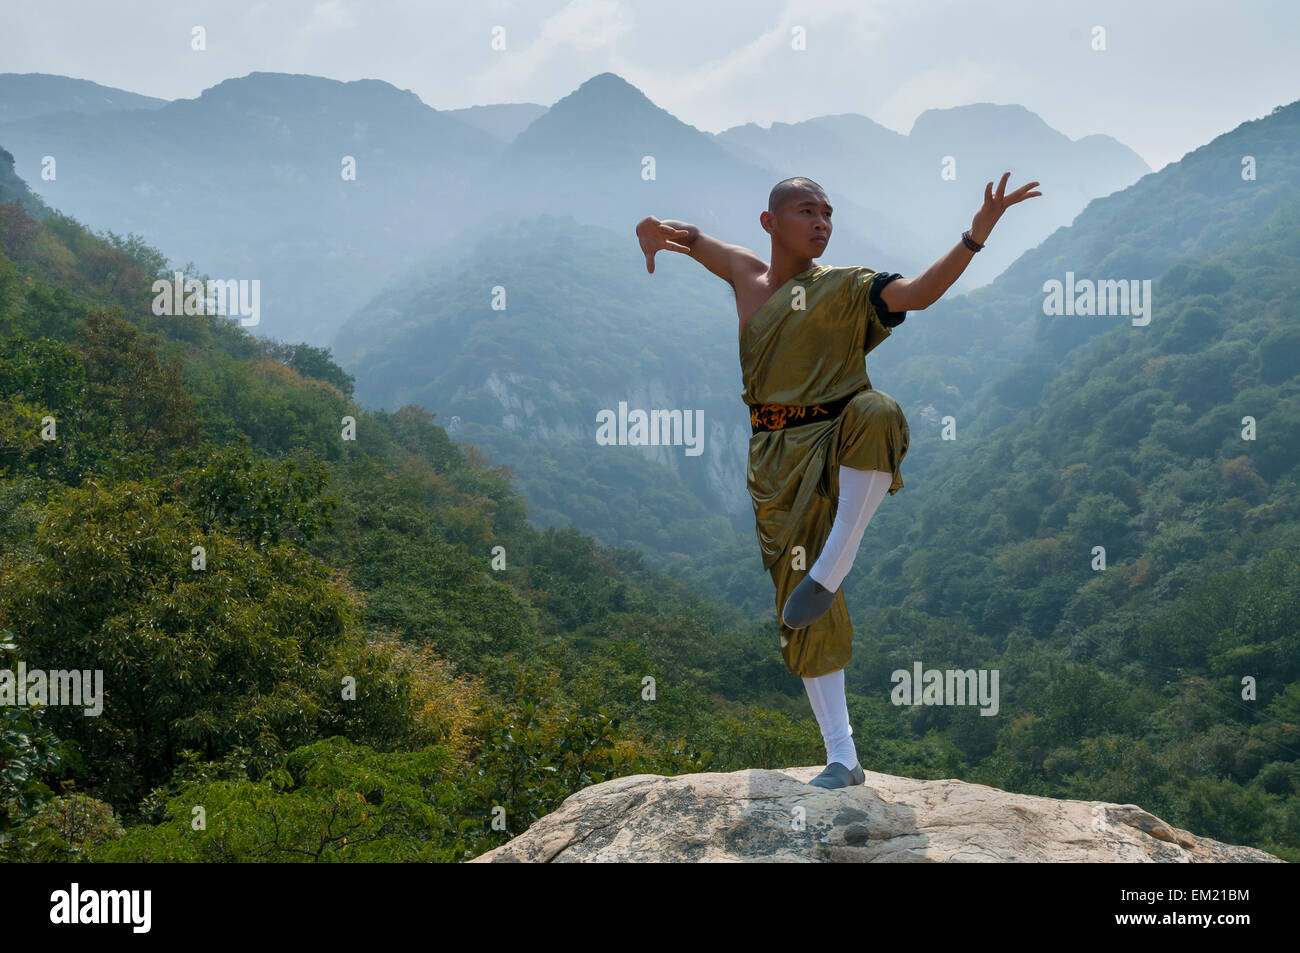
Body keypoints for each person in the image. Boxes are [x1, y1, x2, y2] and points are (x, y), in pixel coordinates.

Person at [636, 172, 1041, 788]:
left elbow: (920, 293)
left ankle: (833, 567)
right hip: (775, 455)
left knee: (879, 412)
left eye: (829, 213)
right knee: (796, 607)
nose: (823, 222)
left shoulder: (848, 286)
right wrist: (653, 230)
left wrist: (976, 233)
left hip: (840, 433)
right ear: (771, 222)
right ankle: (843, 758)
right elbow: (691, 238)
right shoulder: (747, 276)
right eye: (808, 211)